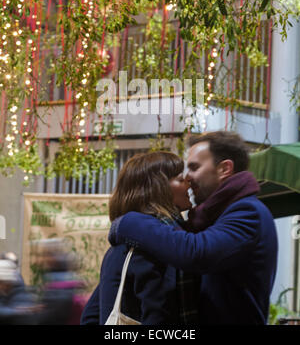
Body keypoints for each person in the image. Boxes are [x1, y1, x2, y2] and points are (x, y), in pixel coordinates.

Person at [109, 131, 278, 325]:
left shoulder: (248, 211)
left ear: (225, 168)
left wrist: (130, 221)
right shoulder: (210, 217)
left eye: (194, 167)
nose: (188, 178)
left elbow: (197, 253)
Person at [80, 151, 193, 325]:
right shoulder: (158, 245)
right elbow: (158, 317)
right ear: (159, 188)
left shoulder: (119, 245)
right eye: (180, 179)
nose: (189, 183)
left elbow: (90, 316)